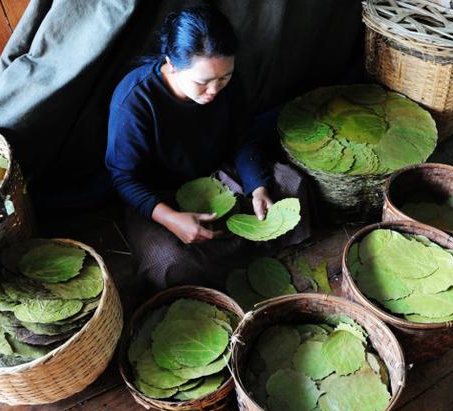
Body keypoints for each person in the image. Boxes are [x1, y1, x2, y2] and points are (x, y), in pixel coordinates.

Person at [105, 5, 312, 291]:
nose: (214, 91)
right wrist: (172, 219)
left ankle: (240, 251)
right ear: (172, 64)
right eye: (202, 82)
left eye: (224, 78)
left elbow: (243, 138)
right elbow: (124, 178)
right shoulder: (135, 100)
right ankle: (225, 262)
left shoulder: (226, 82)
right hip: (159, 196)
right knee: (168, 262)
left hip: (218, 176)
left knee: (293, 184)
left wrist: (258, 187)